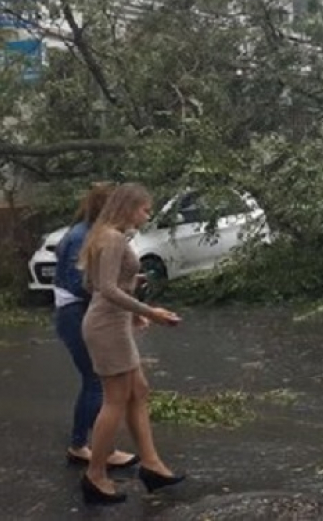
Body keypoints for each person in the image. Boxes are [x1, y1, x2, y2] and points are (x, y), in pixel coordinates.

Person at [77, 183, 184, 505]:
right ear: (127, 207)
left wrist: (131, 294)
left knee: (139, 391)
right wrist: (149, 310)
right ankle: (95, 475)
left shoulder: (105, 235)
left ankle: (152, 465)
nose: (147, 215)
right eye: (144, 209)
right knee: (115, 400)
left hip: (113, 322)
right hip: (107, 327)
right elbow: (106, 288)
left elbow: (91, 283)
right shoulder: (111, 237)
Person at [54, 183, 140, 470]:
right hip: (75, 312)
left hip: (78, 310)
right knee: (96, 380)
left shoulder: (89, 232)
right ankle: (87, 447)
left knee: (96, 381)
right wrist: (123, 296)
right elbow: (84, 284)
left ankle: (86, 445)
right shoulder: (85, 236)